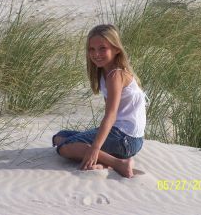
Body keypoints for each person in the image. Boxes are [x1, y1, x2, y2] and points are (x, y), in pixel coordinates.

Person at [52, 24, 146, 178]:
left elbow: (111, 116)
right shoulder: (105, 73)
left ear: (116, 49)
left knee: (63, 147)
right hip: (124, 136)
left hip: (126, 139)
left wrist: (95, 148)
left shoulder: (116, 75)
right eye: (92, 49)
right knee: (60, 136)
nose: (96, 54)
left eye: (103, 48)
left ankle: (119, 164)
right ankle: (106, 161)